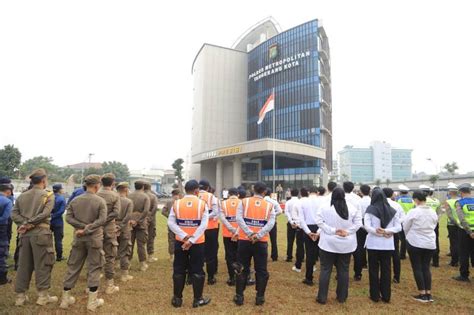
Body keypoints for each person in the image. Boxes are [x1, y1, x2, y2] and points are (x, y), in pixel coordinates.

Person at [59, 174, 107, 311]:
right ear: (97, 186)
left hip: (79, 238)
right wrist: (88, 228)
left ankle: (65, 299)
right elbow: (102, 220)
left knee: (73, 266)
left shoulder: (75, 200)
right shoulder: (100, 201)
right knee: (94, 267)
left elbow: (68, 218)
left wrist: (81, 228)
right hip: (94, 239)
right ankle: (92, 302)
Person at [11, 169, 57, 306]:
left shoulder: (22, 196)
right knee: (43, 264)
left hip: (24, 234)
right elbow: (45, 213)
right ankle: (42, 296)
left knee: (23, 265)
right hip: (41, 234)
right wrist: (30, 223)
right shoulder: (48, 195)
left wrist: (25, 224)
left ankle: (20, 297)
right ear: (43, 180)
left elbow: (14, 214)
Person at [315, 187, 362, 304]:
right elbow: (358, 223)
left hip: (328, 243)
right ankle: (342, 297)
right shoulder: (352, 208)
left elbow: (318, 221)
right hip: (346, 244)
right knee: (344, 270)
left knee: (325, 270)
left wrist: (331, 230)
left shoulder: (325, 207)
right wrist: (348, 231)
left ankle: (322, 297)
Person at [168, 180, 210, 308]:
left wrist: (184, 236)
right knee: (197, 269)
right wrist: (191, 240)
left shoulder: (177, 203)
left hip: (181, 242)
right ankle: (198, 299)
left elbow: (171, 223)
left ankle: (177, 299)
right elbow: (204, 225)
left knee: (179, 269)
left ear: (185, 190)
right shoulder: (202, 204)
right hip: (197, 243)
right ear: (197, 191)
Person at [233, 182, 275, 306]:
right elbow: (271, 223)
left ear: (253, 190)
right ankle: (259, 297)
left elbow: (239, 219)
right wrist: (258, 235)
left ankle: (239, 296)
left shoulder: (244, 202)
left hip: (245, 241)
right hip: (260, 242)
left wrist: (249, 233)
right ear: (265, 192)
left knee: (241, 268)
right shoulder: (269, 205)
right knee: (261, 270)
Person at [365, 188, 401, 303]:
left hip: (373, 244)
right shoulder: (392, 210)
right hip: (387, 244)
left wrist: (378, 231)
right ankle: (386, 295)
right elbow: (398, 227)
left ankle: (374, 295)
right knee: (386, 270)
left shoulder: (370, 210)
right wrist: (387, 231)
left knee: (373, 270)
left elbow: (367, 226)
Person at [403, 190, 438, 302]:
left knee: (417, 267)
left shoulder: (414, 212)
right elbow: (435, 224)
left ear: (416, 200)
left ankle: (422, 294)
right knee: (426, 267)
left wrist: (408, 236)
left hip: (415, 242)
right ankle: (428, 293)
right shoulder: (432, 211)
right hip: (430, 242)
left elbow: (405, 226)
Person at [97, 173, 120, 295]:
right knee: (110, 255)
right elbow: (116, 213)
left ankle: (92, 283)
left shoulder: (96, 194)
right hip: (109, 227)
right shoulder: (115, 195)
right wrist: (105, 219)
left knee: (95, 253)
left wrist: (99, 221)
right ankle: (109, 285)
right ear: (112, 183)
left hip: (96, 227)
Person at [299, 186, 323, 286]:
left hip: (307, 227)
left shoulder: (302, 202)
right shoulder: (322, 201)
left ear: (309, 192)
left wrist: (308, 232)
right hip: (320, 227)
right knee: (322, 253)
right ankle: (324, 278)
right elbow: (324, 219)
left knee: (309, 254)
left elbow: (301, 219)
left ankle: (309, 278)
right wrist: (318, 232)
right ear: (317, 192)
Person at [198, 179, 219, 285]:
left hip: (195, 229)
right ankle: (210, 277)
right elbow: (216, 212)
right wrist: (206, 218)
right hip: (211, 228)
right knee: (211, 253)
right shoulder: (212, 197)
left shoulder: (194, 196)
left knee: (197, 253)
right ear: (208, 187)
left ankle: (194, 276)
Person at [383, 188, 405, 284]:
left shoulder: (378, 205)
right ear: (392, 194)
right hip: (394, 232)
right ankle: (397, 276)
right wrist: (394, 226)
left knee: (383, 255)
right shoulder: (397, 205)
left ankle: (384, 276)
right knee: (395, 254)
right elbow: (403, 217)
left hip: (381, 232)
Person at [453, 183, 474, 282]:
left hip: (465, 231)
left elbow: (461, 219)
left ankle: (464, 275)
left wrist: (469, 232)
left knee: (464, 253)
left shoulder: (459, 203)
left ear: (461, 192)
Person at [219, 188, 240, 286]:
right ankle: (240, 276)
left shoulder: (223, 203)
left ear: (228, 194)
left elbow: (222, 218)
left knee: (229, 256)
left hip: (228, 234)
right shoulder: (242, 202)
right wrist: (237, 230)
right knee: (240, 255)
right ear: (238, 194)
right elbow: (243, 218)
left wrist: (231, 229)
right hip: (241, 234)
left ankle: (232, 277)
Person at [128, 180, 151, 271]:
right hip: (141, 223)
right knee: (141, 244)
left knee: (130, 243)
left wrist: (131, 220)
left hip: (130, 222)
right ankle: (142, 264)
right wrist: (138, 220)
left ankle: (128, 263)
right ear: (143, 187)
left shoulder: (129, 196)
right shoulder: (145, 197)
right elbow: (146, 211)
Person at [343, 181, 363, 280]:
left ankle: (340, 272)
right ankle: (358, 273)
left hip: (343, 225)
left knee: (341, 249)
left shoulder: (341, 197)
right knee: (357, 250)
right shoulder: (358, 198)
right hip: (355, 225)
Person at [116, 182, 134, 282]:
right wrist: (121, 226)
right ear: (126, 190)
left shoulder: (112, 200)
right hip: (124, 228)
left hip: (112, 227)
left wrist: (116, 226)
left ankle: (109, 270)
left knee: (110, 250)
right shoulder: (128, 202)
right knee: (124, 250)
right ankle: (124, 274)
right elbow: (128, 217)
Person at [420, 185, 441, 267]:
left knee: (422, 240)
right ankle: (436, 261)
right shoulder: (436, 201)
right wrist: (436, 220)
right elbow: (439, 213)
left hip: (422, 224)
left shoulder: (421, 201)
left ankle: (424, 260)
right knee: (435, 240)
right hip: (434, 223)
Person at [354, 184, 371, 281]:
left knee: (360, 246)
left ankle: (362, 265)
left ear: (361, 191)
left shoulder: (359, 202)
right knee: (370, 245)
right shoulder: (372, 201)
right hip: (371, 223)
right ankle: (369, 263)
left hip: (361, 223)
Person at [285, 188, 304, 268]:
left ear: (291, 194)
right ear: (298, 193)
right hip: (299, 223)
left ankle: (289, 256)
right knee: (300, 242)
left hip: (291, 223)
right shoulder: (300, 202)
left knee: (290, 240)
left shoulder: (288, 202)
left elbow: (286, 212)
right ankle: (301, 257)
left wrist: (291, 221)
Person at [162, 189, 181, 261]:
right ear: (179, 194)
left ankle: (172, 256)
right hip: (180, 223)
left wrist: (170, 217)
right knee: (180, 239)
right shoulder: (181, 201)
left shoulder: (169, 202)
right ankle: (180, 254)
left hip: (171, 223)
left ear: (172, 194)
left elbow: (163, 211)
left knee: (171, 240)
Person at [0, 181, 13, 285]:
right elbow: (5, 218)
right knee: (2, 251)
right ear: (8, 191)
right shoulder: (7, 201)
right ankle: (2, 278)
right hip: (2, 228)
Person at [396, 185, 415, 259]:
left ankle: (402, 254)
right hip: (410, 220)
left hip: (402, 220)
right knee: (410, 237)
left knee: (402, 238)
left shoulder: (398, 200)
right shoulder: (412, 200)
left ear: (400, 192)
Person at [444, 183, 460, 267]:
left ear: (450, 192)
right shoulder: (460, 200)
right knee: (460, 242)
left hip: (452, 225)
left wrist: (456, 223)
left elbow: (449, 215)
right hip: (461, 225)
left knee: (453, 243)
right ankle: (460, 260)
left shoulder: (448, 202)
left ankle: (454, 261)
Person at [264, 187, 282, 262]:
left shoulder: (262, 201)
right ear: (271, 194)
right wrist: (273, 215)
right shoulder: (274, 201)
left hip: (263, 222)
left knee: (263, 240)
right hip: (272, 222)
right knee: (273, 240)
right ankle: (274, 256)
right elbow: (280, 211)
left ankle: (263, 255)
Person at [50, 184, 66, 262]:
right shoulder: (62, 198)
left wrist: (50, 216)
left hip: (48, 221)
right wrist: (54, 216)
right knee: (58, 240)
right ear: (59, 190)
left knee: (47, 239)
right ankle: (59, 256)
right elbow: (61, 211)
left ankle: (48, 255)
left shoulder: (50, 197)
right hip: (58, 221)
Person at [144, 182, 159, 263]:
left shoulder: (141, 195)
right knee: (151, 237)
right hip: (151, 220)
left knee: (140, 238)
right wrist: (150, 217)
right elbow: (155, 208)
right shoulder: (153, 196)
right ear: (150, 188)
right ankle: (150, 256)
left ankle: (141, 256)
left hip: (141, 219)